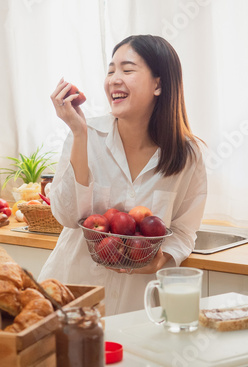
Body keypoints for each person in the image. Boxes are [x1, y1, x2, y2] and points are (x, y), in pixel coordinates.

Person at [37, 35, 207, 315]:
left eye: (127, 70)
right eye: (111, 70)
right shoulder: (85, 134)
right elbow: (67, 216)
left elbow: (185, 231)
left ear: (159, 84)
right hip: (73, 298)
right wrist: (79, 135)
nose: (114, 79)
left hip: (137, 307)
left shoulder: (187, 155)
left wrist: (161, 259)